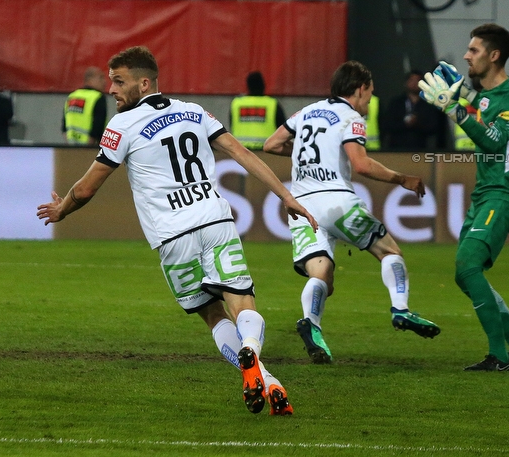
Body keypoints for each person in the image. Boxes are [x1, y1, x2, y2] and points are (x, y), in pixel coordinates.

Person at [36, 46, 316, 416]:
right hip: (215, 221)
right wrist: (286, 195)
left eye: (119, 81)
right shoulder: (194, 111)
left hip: (171, 236)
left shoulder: (121, 125)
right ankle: (257, 358)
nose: (111, 89)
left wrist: (62, 209)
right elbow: (242, 153)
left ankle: (264, 378)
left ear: (144, 82)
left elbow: (87, 189)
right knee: (242, 302)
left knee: (214, 316)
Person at [262, 60, 441, 364]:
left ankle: (312, 325)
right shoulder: (351, 117)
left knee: (321, 273)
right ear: (360, 89)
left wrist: (316, 152)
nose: (370, 100)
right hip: (337, 202)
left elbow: (271, 144)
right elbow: (361, 164)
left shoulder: (306, 111)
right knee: (389, 251)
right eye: (370, 93)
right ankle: (400, 308)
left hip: (302, 205)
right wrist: (402, 179)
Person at [420, 24, 509, 371]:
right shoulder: (488, 94)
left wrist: (452, 108)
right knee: (464, 273)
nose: (467, 56)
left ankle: (498, 357)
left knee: (468, 265)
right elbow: (484, 108)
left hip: (506, 194)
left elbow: (492, 138)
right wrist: (464, 96)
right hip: (485, 193)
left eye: (473, 51)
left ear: (494, 55)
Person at [381, 70, 443, 150]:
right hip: (397, 150)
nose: (414, 84)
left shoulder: (428, 104)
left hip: (420, 150)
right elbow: (387, 125)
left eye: (417, 81)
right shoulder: (396, 103)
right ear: (406, 83)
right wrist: (405, 124)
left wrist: (417, 123)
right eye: (411, 80)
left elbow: (433, 127)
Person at [230, 71, 285, 150]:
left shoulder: (236, 103)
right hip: (266, 152)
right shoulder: (272, 103)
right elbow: (283, 130)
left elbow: (231, 125)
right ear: (263, 85)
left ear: (247, 86)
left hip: (241, 152)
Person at [63, 66, 108, 145]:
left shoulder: (72, 96)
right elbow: (98, 127)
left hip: (70, 147)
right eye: (101, 78)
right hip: (89, 149)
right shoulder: (97, 97)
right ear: (89, 79)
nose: (104, 82)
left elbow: (64, 126)